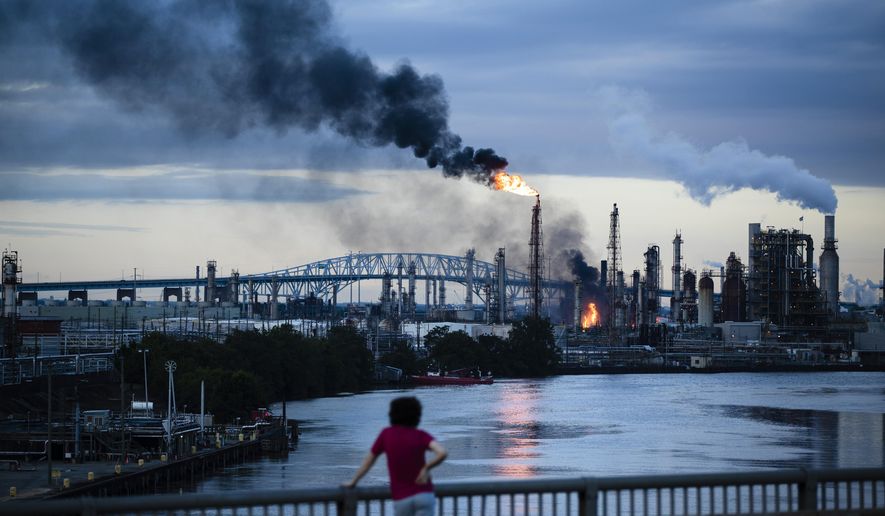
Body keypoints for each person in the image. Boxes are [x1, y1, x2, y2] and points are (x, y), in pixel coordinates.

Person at [344, 396, 447, 516]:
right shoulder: (421, 435)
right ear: (417, 416)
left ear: (392, 414)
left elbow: (368, 461)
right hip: (424, 495)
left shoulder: (386, 434)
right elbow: (442, 453)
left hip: (402, 498)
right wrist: (426, 468)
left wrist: (353, 482)